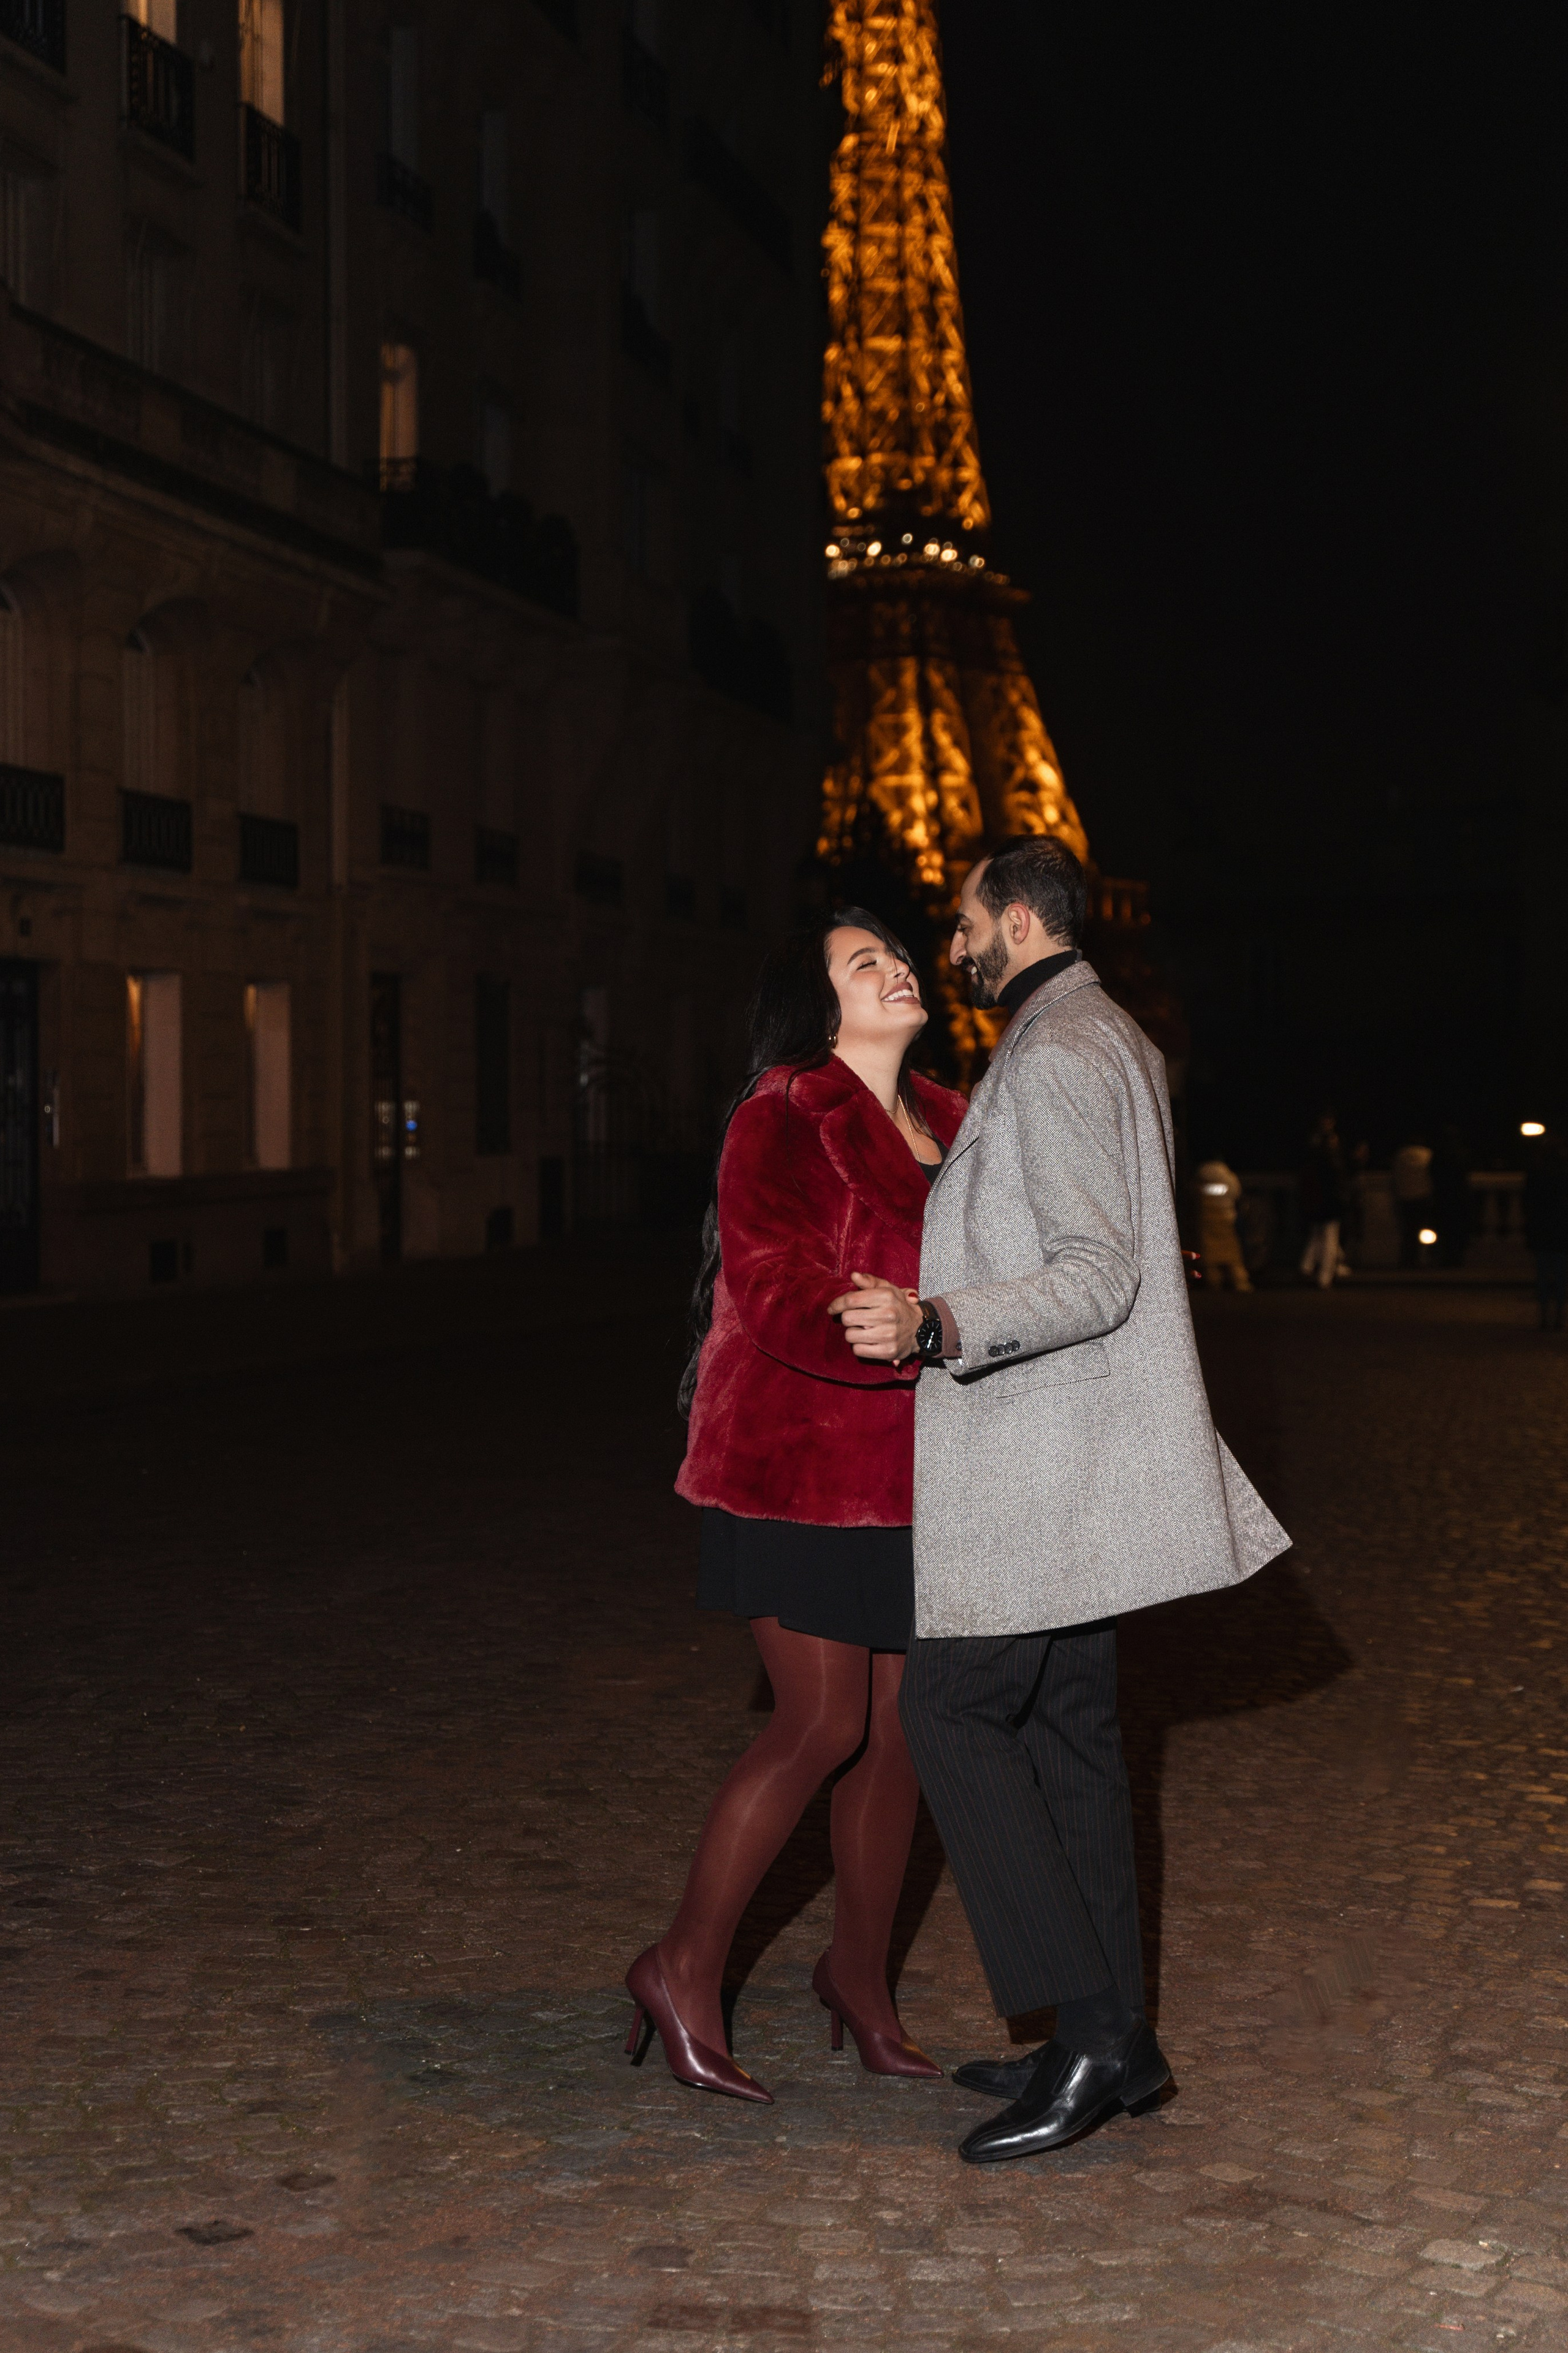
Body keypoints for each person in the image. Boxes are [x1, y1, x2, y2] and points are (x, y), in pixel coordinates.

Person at [834, 835, 1288, 2165]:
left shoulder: (1058, 1051)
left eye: (966, 922)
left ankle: (1083, 2028)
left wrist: (935, 1320)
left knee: (949, 1708)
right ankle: (1115, 2038)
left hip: (1040, 1458)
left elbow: (1097, 1272)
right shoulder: (1107, 1033)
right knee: (1069, 1727)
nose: (954, 945)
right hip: (1073, 1454)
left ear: (1020, 921)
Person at [623, 910, 967, 2105]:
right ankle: (680, 1967)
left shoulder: (960, 1117)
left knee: (904, 1728)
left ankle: (857, 1980)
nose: (897, 969)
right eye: (865, 962)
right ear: (816, 1004)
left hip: (920, 1474)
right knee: (818, 1721)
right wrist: (883, 1330)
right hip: (795, 1462)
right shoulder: (782, 1110)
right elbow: (770, 1281)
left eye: (899, 955)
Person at [1524, 1132, 1568, 1332]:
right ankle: (1559, 1316)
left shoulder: (1536, 1172)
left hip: (1541, 1228)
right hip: (1561, 1229)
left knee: (1542, 1274)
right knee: (1561, 1275)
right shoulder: (1563, 1173)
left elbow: (1528, 1201)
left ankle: (1543, 1316)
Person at [1298, 1111, 1347, 1287]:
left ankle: (1308, 1266)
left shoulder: (1313, 1151)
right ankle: (1325, 1276)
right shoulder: (1329, 1159)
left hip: (1318, 1200)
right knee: (1329, 1238)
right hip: (1329, 1200)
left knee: (1319, 1234)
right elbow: (1337, 1179)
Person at [1193, 1156, 1252, 1291]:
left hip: (1207, 1221)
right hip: (1226, 1218)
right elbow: (1236, 1192)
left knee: (1210, 1257)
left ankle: (1214, 1282)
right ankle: (1240, 1282)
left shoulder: (1201, 1175)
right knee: (1232, 1255)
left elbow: (1196, 1193)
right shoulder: (1228, 1177)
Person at [1391, 1135, 1434, 1269]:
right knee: (1423, 1230)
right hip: (1422, 1197)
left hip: (1405, 1197)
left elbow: (1396, 1175)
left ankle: (1407, 1259)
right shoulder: (1427, 1155)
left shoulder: (1401, 1155)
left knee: (1407, 1230)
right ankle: (1420, 1258)